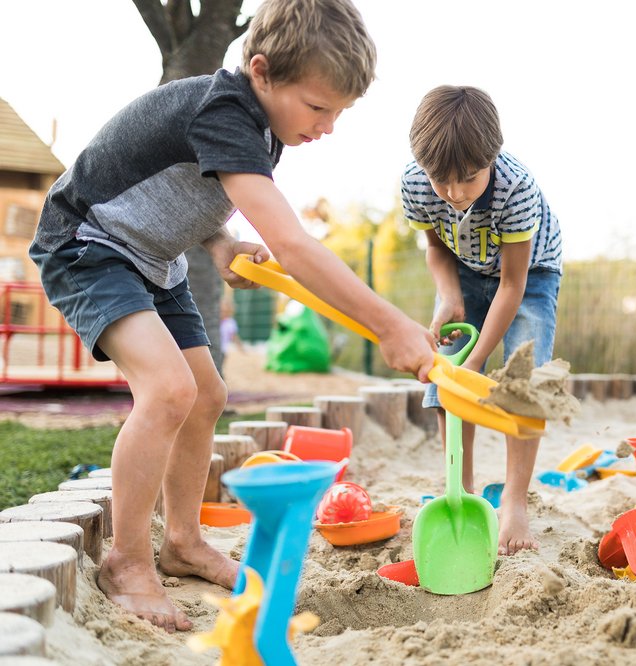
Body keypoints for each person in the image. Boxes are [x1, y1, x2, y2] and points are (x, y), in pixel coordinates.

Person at [29, 0, 435, 633]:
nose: (327, 127)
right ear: (263, 70)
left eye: (340, 113)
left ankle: (183, 541)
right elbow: (294, 244)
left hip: (153, 258)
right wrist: (390, 325)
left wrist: (219, 242)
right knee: (168, 390)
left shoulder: (263, 125)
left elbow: (184, 185)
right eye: (319, 107)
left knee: (207, 395)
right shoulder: (224, 108)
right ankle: (127, 560)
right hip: (89, 245)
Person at [401, 85, 563, 556]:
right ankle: (463, 489)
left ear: (490, 158)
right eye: (441, 180)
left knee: (524, 383)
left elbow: (513, 285)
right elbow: (435, 248)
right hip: (465, 269)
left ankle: (514, 500)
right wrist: (449, 296)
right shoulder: (415, 182)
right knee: (446, 377)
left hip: (530, 275)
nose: (453, 193)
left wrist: (479, 360)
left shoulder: (515, 187)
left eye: (468, 180)